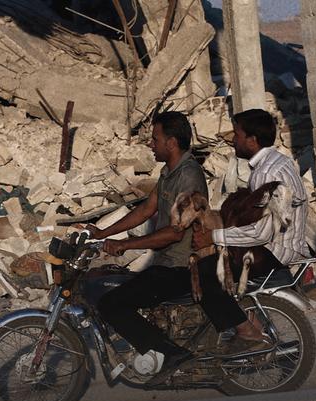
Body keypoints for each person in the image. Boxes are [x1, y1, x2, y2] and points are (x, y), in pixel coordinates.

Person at [87, 111, 241, 384]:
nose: (150, 144)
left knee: (111, 304)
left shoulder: (189, 176)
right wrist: (102, 233)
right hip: (167, 262)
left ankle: (169, 353)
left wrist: (125, 245)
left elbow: (173, 232)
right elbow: (147, 209)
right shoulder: (169, 172)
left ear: (171, 142)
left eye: (155, 139)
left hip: (182, 267)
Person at [192, 108, 309, 354]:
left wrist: (214, 236)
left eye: (237, 134)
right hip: (282, 243)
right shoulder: (278, 161)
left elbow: (262, 232)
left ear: (252, 140)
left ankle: (249, 334)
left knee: (206, 272)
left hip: (275, 250)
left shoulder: (266, 173)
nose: (233, 140)